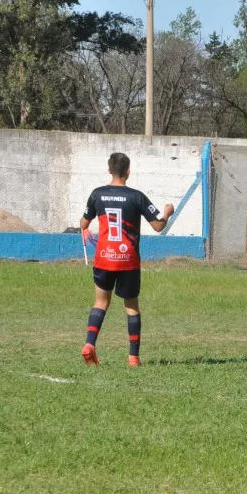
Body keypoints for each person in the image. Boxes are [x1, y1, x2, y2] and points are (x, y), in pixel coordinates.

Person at [78, 152, 174, 367]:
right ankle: (133, 357)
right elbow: (158, 226)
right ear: (128, 171)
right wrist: (167, 212)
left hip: (104, 258)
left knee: (101, 302)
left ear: (109, 170)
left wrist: (85, 230)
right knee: (131, 306)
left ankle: (90, 343)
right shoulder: (136, 196)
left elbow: (83, 223)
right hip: (128, 259)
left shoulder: (97, 194)